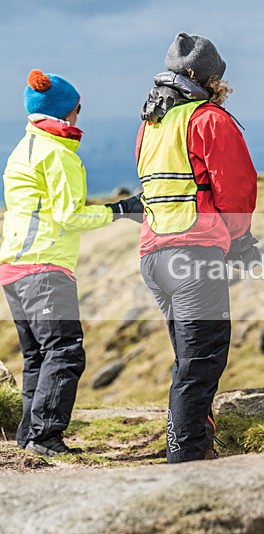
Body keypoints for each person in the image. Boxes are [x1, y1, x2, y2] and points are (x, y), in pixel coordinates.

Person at [0, 70, 143, 456]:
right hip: (44, 267)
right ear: (66, 111)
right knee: (64, 351)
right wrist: (121, 210)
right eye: (78, 109)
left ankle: (29, 436)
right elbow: (69, 216)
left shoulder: (23, 148)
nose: (80, 116)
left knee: (37, 356)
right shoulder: (57, 154)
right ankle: (45, 437)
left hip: (13, 266)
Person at [137, 33, 258, 463]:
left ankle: (190, 450)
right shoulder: (209, 120)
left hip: (154, 257)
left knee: (189, 361)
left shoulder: (150, 125)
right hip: (193, 258)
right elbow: (237, 189)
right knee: (200, 364)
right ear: (207, 78)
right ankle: (186, 464)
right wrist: (241, 240)